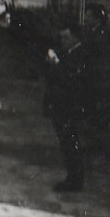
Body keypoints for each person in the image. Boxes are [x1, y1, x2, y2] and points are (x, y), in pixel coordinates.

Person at [42, 29, 91, 193]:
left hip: (69, 107)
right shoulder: (70, 52)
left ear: (75, 37)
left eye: (66, 37)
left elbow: (70, 79)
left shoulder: (79, 54)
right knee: (66, 142)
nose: (62, 40)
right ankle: (72, 177)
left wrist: (56, 64)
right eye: (61, 37)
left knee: (70, 142)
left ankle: (74, 180)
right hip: (62, 106)